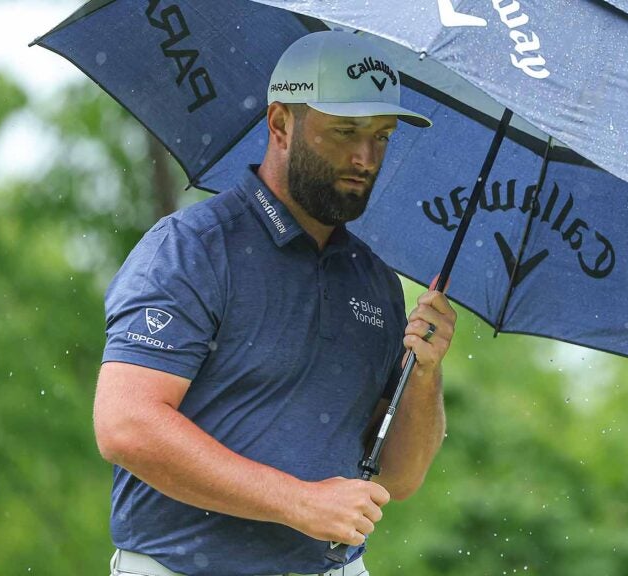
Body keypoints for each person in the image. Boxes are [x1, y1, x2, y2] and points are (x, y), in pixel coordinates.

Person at [96, 31, 454, 576]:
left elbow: (399, 478)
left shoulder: (375, 281)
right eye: (345, 131)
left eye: (381, 136)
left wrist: (425, 376)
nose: (365, 157)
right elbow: (127, 425)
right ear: (281, 124)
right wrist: (298, 502)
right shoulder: (192, 248)